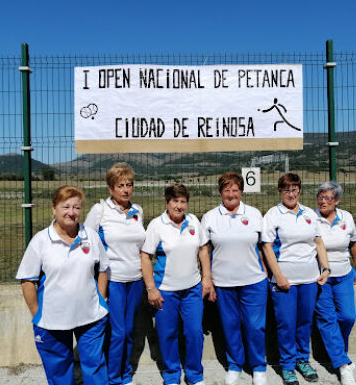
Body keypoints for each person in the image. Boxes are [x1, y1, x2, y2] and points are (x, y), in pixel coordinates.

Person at [16, 185, 109, 385]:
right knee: (59, 372)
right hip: (52, 321)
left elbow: (103, 268)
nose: (71, 212)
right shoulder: (41, 241)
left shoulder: (90, 236)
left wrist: (101, 299)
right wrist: (37, 314)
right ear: (54, 208)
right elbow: (27, 280)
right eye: (65, 206)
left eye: (76, 207)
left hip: (91, 316)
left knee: (95, 367)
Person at [140, 184, 213, 385]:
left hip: (192, 289)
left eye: (183, 202)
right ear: (167, 202)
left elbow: (203, 250)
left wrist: (206, 278)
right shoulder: (157, 225)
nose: (179, 206)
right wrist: (151, 288)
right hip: (165, 291)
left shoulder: (193, 221)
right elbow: (145, 257)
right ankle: (172, 375)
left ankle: (195, 375)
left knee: (194, 332)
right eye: (175, 201)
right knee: (167, 334)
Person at [200, 172, 269, 385]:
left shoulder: (255, 214)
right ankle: (234, 365)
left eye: (235, 190)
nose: (231, 194)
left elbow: (263, 246)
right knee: (230, 325)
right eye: (226, 190)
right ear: (220, 192)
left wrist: (266, 273)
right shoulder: (210, 217)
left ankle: (258, 367)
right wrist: (208, 279)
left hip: (254, 281)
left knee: (255, 325)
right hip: (223, 283)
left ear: (241, 191)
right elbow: (203, 250)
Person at [262, 173, 330, 385]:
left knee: (304, 322)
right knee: (286, 324)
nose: (290, 194)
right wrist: (278, 276)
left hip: (309, 280)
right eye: (286, 190)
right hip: (284, 281)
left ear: (300, 190)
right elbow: (266, 247)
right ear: (279, 192)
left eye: (294, 189)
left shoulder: (310, 213)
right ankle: (288, 365)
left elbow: (318, 243)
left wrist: (326, 268)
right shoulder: (273, 215)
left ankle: (303, 359)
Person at [85, 162, 145, 385]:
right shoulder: (99, 211)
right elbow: (88, 244)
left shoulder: (138, 211)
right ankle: (113, 377)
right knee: (118, 333)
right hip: (113, 280)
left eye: (129, 184)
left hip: (136, 280)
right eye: (120, 185)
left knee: (129, 331)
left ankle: (125, 374)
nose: (126, 190)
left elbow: (140, 246)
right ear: (110, 188)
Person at [314, 181, 356, 385]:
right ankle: (344, 367)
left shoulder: (347, 218)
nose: (323, 201)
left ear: (337, 200)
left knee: (347, 317)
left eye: (327, 198)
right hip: (320, 278)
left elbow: (353, 244)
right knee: (327, 320)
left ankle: (339, 354)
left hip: (344, 275)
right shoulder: (312, 217)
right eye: (320, 196)